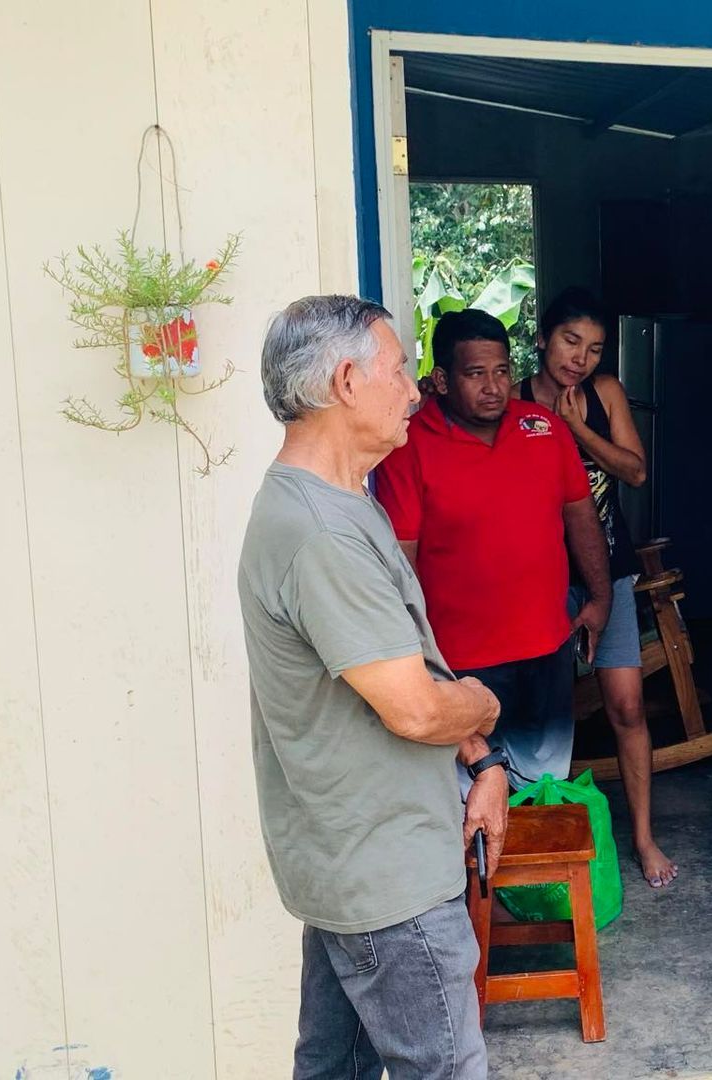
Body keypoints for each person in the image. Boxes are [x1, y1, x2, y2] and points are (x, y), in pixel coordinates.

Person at [238, 295, 507, 1079]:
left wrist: (482, 760)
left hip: (351, 864)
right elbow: (416, 704)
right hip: (388, 882)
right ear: (347, 380)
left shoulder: (335, 505)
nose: (417, 390)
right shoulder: (321, 532)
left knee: (334, 1070)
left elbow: (398, 668)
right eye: (400, 369)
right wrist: (483, 703)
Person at [374, 308, 612, 793]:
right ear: (441, 380)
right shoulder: (408, 447)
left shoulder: (544, 429)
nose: (493, 387)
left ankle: (541, 873)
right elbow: (401, 561)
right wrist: (418, 657)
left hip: (547, 646)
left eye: (501, 371)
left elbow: (581, 516)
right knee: (474, 797)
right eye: (475, 374)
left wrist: (601, 597)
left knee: (548, 790)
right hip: (461, 663)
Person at [517, 288, 675, 888]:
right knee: (542, 717)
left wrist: (577, 430)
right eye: (569, 341)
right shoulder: (511, 401)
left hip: (609, 572)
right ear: (542, 338)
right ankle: (535, 845)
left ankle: (642, 836)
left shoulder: (603, 396)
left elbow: (634, 471)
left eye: (594, 348)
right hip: (538, 583)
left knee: (628, 707)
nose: (579, 358)